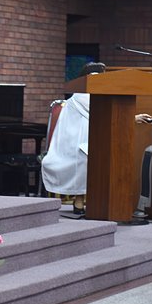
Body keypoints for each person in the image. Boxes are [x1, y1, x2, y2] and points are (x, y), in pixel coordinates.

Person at [41, 62, 106, 215]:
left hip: (85, 141)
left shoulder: (90, 94)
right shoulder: (83, 96)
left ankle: (94, 201)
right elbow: (103, 113)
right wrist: (132, 118)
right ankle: (80, 200)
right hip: (71, 148)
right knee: (88, 158)